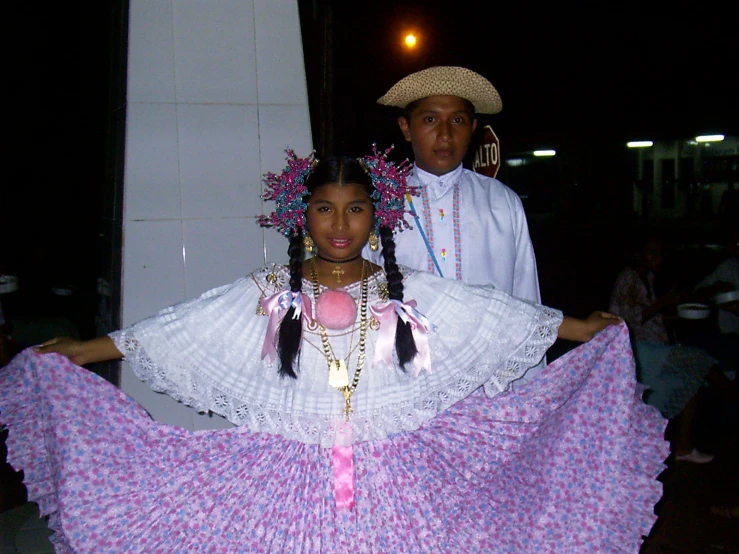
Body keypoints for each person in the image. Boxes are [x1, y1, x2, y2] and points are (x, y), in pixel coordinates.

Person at [0, 148, 667, 553]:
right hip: (287, 481)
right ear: (303, 216)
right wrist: (84, 350)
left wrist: (585, 330)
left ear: (374, 216)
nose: (339, 224)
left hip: (402, 481)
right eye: (324, 208)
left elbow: (496, 316)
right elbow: (181, 327)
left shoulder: (413, 293)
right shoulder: (265, 293)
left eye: (354, 209)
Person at [367, 66, 545, 381]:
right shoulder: (379, 203)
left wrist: (530, 388)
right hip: (404, 382)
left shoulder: (502, 202)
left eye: (458, 120)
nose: (445, 134)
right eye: (430, 120)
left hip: (489, 380)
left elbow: (525, 299)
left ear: (474, 127)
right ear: (406, 128)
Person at [609, 232, 727, 463]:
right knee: (700, 361)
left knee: (692, 377)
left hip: (656, 346)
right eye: (652, 253)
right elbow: (628, 319)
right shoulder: (628, 279)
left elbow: (653, 317)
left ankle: (683, 447)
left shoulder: (647, 278)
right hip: (638, 350)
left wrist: (680, 310)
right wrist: (665, 302)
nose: (658, 258)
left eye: (660, 253)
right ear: (638, 254)